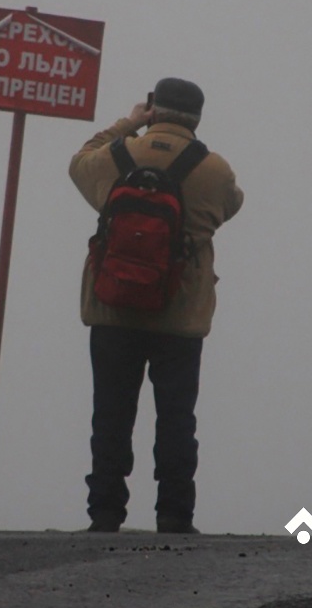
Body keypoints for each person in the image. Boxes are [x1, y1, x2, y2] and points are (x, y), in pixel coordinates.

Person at [69, 77, 244, 534]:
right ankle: (174, 515)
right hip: (179, 316)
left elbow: (78, 163)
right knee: (176, 417)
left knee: (110, 412)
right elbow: (232, 205)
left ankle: (105, 512)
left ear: (153, 109)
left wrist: (128, 125)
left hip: (112, 308)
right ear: (198, 118)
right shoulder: (214, 170)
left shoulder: (115, 157)